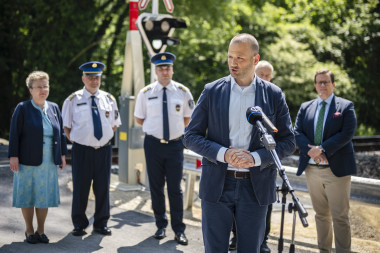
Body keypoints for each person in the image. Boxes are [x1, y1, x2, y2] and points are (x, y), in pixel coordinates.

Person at [183, 33, 295, 253]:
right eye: (230, 57)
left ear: (255, 59)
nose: (233, 63)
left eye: (240, 58)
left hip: (256, 187)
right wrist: (223, 153)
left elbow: (289, 141)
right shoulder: (212, 91)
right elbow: (190, 136)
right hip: (217, 183)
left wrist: (254, 158)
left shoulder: (273, 94)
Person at [134, 52, 194, 245]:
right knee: (156, 187)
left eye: (167, 67)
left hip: (175, 145)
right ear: (156, 71)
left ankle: (179, 229)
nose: (164, 71)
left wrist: (174, 133)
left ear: (172, 69)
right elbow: (139, 119)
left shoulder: (183, 92)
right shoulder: (146, 93)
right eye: (161, 68)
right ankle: (160, 225)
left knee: (175, 188)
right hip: (153, 145)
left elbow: (187, 118)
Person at [294, 69, 357, 253]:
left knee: (340, 217)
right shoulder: (306, 107)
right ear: (315, 85)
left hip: (335, 170)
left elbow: (347, 133)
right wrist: (313, 152)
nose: (322, 85)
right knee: (321, 215)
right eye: (319, 82)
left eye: (326, 82)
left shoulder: (345, 106)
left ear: (333, 84)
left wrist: (322, 149)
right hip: (312, 170)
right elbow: (297, 132)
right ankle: (324, 250)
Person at [62, 61, 121, 236]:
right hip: (82, 150)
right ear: (83, 78)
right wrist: (78, 140)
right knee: (81, 187)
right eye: (90, 77)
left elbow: (114, 124)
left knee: (103, 187)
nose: (94, 80)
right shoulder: (72, 100)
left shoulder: (109, 99)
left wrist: (103, 139)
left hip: (103, 150)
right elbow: (66, 127)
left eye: (97, 77)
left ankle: (101, 223)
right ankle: (79, 223)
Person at [8, 71, 67, 244]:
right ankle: (29, 230)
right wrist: (13, 156)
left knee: (44, 196)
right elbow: (14, 134)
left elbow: (61, 134)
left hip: (48, 161)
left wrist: (62, 154)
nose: (43, 90)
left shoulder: (54, 107)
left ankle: (41, 231)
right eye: (39, 87)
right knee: (27, 194)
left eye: (45, 86)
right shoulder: (22, 108)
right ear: (31, 90)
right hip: (26, 160)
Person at [229, 60, 275, 252]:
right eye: (261, 74)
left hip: (262, 170)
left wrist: (257, 157)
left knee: (264, 211)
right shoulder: (232, 93)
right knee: (233, 211)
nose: (264, 78)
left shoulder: (273, 96)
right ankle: (236, 237)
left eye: (267, 75)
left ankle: (262, 240)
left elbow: (285, 138)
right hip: (231, 168)